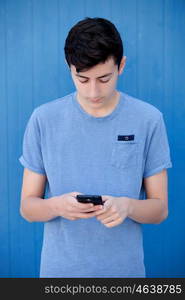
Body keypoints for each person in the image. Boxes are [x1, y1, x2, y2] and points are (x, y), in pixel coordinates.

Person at [19, 17, 172, 278]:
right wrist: (56, 206)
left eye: (104, 78)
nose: (92, 92)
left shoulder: (149, 119)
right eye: (82, 79)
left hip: (125, 274)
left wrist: (128, 207)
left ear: (121, 66)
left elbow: (159, 209)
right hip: (59, 275)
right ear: (70, 69)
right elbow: (27, 207)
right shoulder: (43, 119)